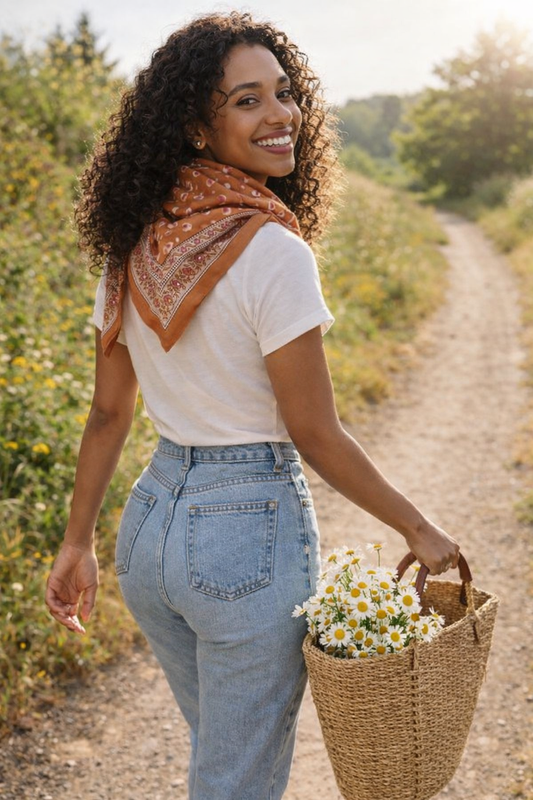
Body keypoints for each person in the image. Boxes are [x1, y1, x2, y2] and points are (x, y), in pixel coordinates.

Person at [45, 11, 460, 800]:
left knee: (223, 759)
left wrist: (78, 543)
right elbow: (313, 431)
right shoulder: (271, 249)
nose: (280, 116)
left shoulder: (134, 245)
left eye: (284, 93)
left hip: (150, 530)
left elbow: (108, 417)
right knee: (236, 779)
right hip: (242, 535)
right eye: (246, 101)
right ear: (196, 127)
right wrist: (417, 528)